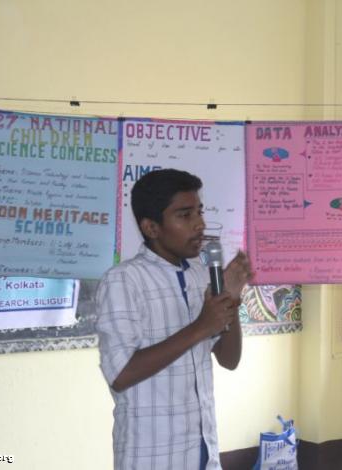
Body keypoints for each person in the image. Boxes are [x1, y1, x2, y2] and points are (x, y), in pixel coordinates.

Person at [95, 168, 253, 470]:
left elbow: (229, 359)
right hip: (151, 458)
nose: (199, 224)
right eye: (185, 215)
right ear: (152, 228)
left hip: (204, 454)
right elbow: (121, 374)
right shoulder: (124, 280)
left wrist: (230, 299)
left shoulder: (200, 275)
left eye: (199, 212)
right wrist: (200, 327)